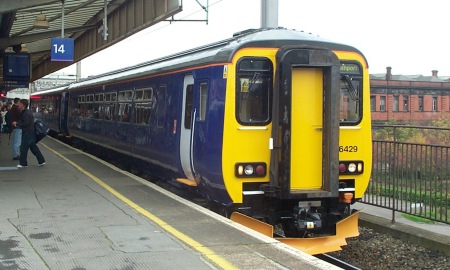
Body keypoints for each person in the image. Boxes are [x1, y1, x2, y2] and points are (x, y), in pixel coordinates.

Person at [11, 99, 45, 168]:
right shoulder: (28, 112)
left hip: (27, 132)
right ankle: (41, 161)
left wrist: (17, 123)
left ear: (23, 105)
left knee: (23, 148)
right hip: (31, 132)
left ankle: (23, 163)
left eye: (19, 104)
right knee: (33, 147)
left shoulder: (25, 113)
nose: (18, 105)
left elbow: (26, 123)